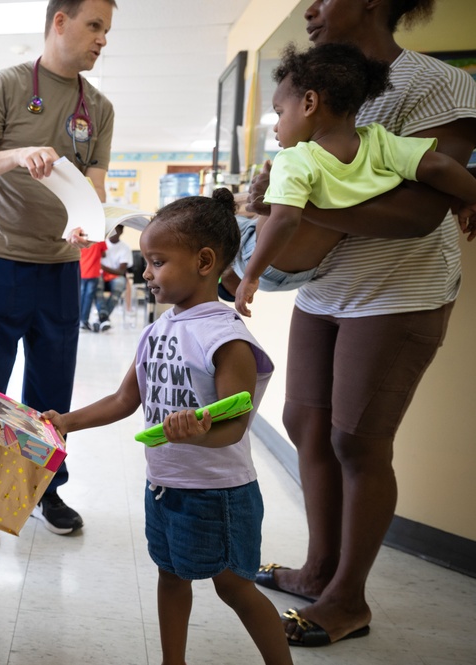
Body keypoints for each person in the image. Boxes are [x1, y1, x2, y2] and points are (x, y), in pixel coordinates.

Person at [243, 0, 476, 648]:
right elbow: (299, 187)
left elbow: (417, 212)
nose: (310, 8)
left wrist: (301, 200)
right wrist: (278, 195)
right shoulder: (314, 88)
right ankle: (318, 567)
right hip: (327, 286)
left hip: (400, 291)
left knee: (357, 440)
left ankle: (347, 597)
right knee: (304, 422)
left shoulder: (436, 85)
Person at [42, 190, 289, 665]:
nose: (145, 273)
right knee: (171, 576)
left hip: (218, 494)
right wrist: (65, 422)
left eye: (156, 262)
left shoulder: (226, 336)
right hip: (165, 486)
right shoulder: (158, 330)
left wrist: (197, 430)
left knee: (235, 587)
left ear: (203, 261)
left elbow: (234, 426)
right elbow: (123, 399)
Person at [0, 0, 117, 546]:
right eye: (94, 26)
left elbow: (94, 183)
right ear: (60, 22)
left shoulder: (98, 107)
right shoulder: (6, 85)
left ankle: (44, 490)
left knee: (51, 385)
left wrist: (90, 222)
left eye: (106, 30)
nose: (101, 39)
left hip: (59, 263)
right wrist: (17, 154)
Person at [233, 41, 476, 316]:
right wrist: (468, 197)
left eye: (279, 113)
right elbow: (439, 168)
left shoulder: (295, 158)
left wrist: (250, 276)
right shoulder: (380, 142)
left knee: (221, 216)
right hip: (305, 271)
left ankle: (229, 266)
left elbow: (285, 219)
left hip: (258, 257)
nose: (277, 126)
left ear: (310, 103)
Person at [94, 223, 132, 330]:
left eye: (116, 230)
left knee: (119, 284)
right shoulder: (101, 244)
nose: (113, 233)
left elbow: (121, 271)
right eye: (111, 230)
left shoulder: (125, 248)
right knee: (97, 284)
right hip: (100, 275)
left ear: (121, 232)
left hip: (116, 277)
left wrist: (102, 266)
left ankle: (102, 317)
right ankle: (104, 318)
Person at [78, 240, 106, 330]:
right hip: (93, 273)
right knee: (88, 298)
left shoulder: (81, 239)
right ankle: (84, 321)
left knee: (81, 296)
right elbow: (104, 254)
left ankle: (79, 320)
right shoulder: (100, 240)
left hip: (82, 271)